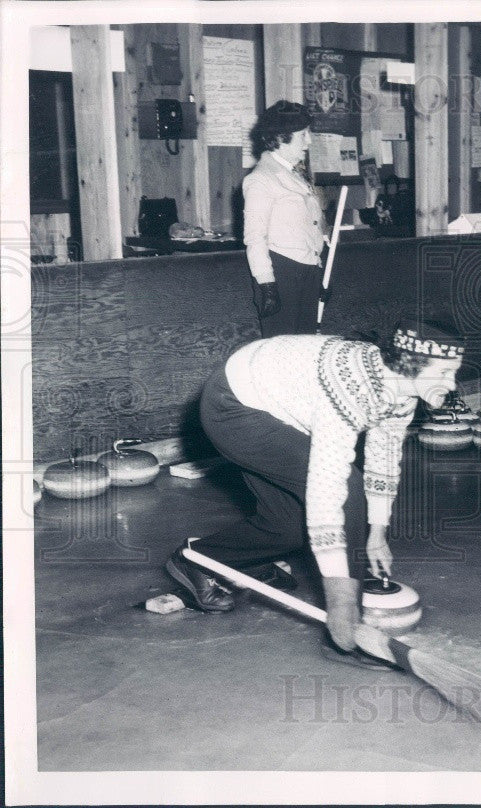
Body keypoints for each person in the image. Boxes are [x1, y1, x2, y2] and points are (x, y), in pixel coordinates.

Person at [165, 320, 465, 668]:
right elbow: (327, 488)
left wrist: (377, 532)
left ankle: (197, 559)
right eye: (444, 373)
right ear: (410, 363)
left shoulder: (401, 390)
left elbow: (384, 455)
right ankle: (344, 640)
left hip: (279, 405)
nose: (452, 385)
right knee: (347, 489)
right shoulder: (350, 386)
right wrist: (340, 604)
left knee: (290, 526)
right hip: (233, 407)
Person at [244, 101, 326, 337]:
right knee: (281, 355)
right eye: (303, 135)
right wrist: (267, 285)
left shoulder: (296, 175)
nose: (309, 142)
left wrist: (316, 272)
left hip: (306, 272)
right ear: (281, 138)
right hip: (281, 275)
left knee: (306, 349)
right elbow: (255, 239)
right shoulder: (261, 179)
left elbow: (310, 228)